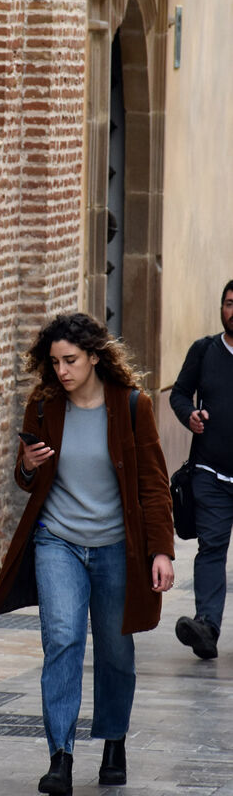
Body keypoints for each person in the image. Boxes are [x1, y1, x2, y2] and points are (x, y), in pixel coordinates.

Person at [0, 313, 175, 796]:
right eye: (54, 362)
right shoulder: (45, 406)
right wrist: (25, 467)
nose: (63, 370)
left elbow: (154, 486)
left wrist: (162, 552)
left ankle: (114, 743)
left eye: (71, 360)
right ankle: (60, 757)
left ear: (94, 356)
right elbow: (29, 480)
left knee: (115, 650)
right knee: (63, 639)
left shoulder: (133, 406)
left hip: (116, 547)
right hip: (57, 541)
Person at [170, 279, 233, 660]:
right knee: (211, 548)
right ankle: (206, 627)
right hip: (210, 473)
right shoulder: (204, 351)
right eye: (229, 303)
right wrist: (188, 415)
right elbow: (179, 392)